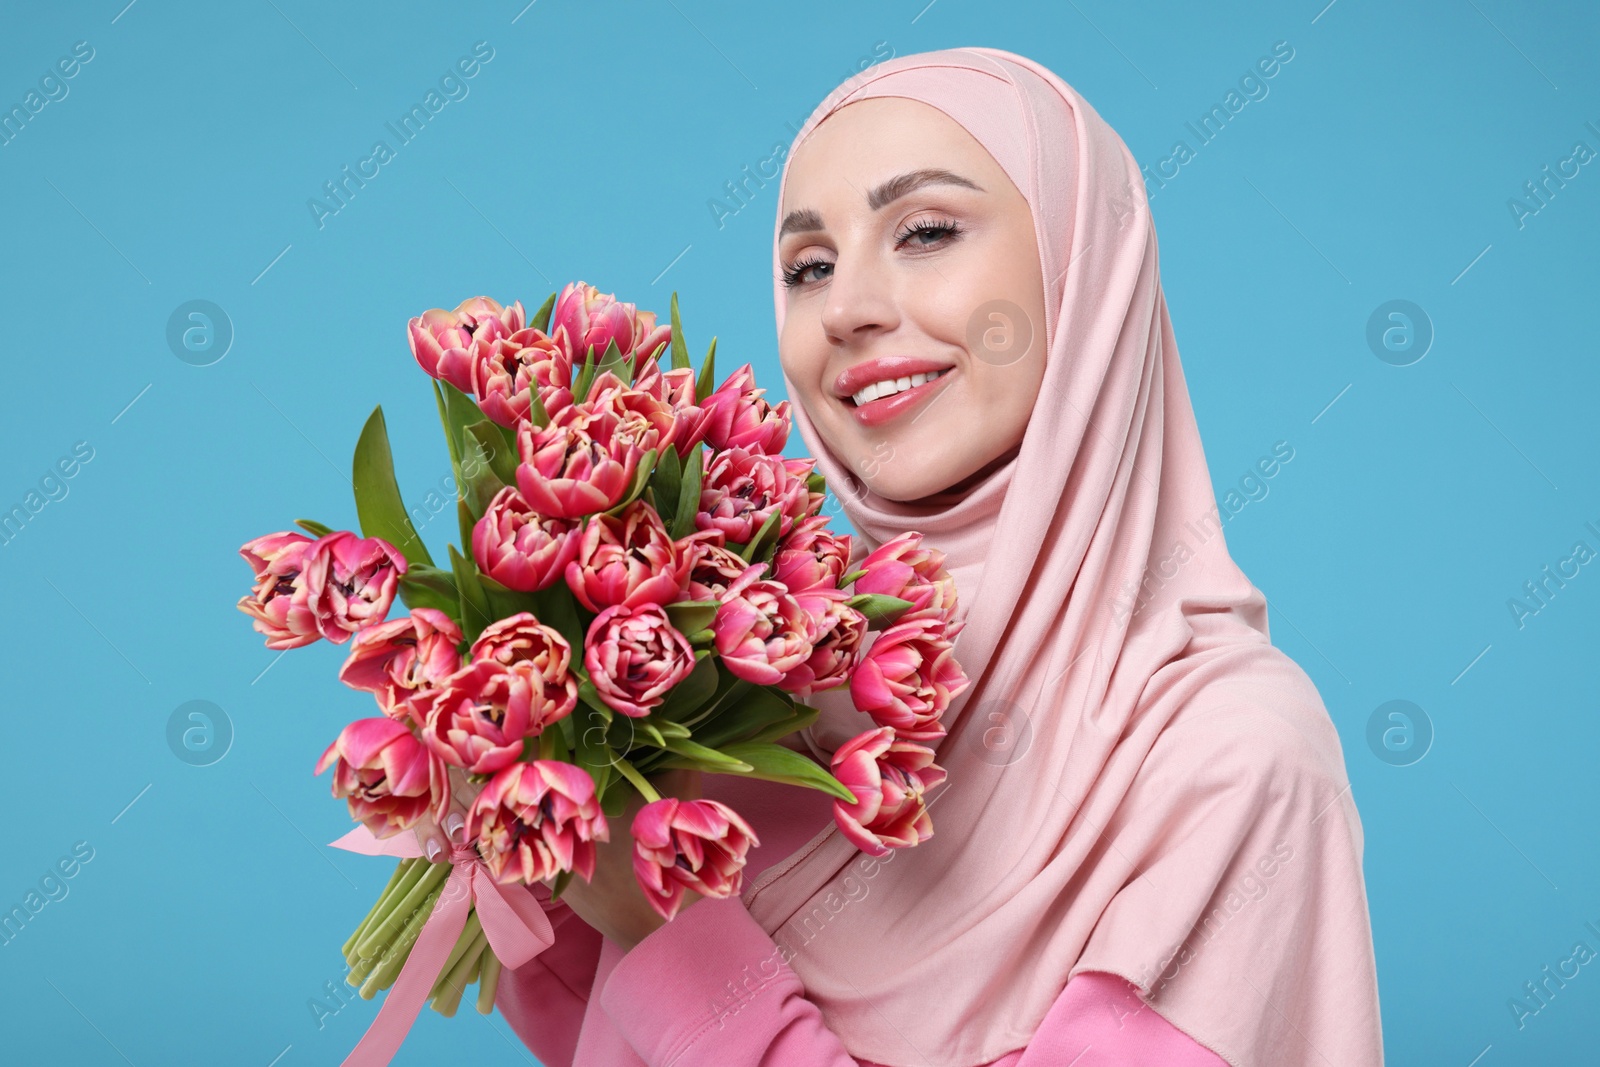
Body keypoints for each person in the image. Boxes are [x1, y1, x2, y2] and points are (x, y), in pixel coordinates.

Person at [420, 46, 1385, 1066]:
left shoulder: (1232, 760)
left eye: (924, 232)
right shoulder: (746, 673)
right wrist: (519, 772)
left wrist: (672, 940)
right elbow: (596, 1031)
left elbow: (664, 976)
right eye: (809, 266)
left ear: (1080, 268)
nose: (845, 310)